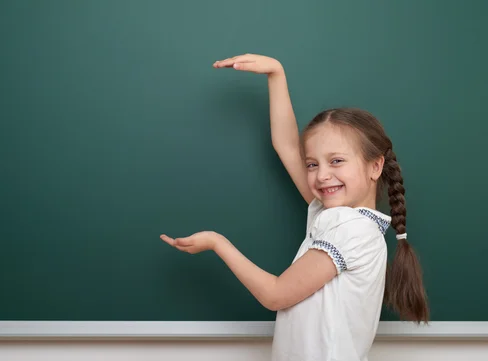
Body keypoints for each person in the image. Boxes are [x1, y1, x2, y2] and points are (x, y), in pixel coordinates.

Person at [160, 54, 429, 361]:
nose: (322, 174)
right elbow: (288, 146)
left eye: (337, 161)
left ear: (375, 166)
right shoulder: (336, 215)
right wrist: (276, 74)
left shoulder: (351, 229)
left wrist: (217, 243)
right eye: (312, 164)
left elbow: (275, 294)